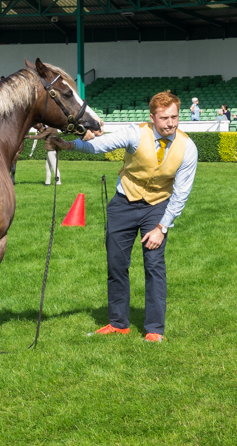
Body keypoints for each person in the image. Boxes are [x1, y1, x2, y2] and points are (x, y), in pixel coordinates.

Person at [51, 91, 197, 344]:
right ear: (152, 117)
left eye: (174, 117)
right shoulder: (135, 133)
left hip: (157, 207)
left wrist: (162, 227)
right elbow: (102, 145)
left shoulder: (188, 148)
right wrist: (70, 145)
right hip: (123, 204)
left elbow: (181, 192)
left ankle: (154, 329)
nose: (170, 123)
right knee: (116, 265)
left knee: (154, 266)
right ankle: (119, 324)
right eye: (164, 118)